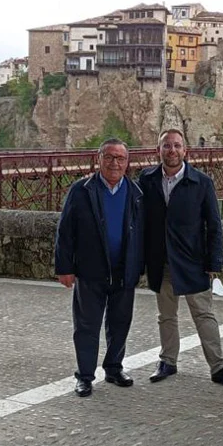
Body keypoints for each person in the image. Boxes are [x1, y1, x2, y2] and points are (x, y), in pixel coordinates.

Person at [139, 128, 223, 388]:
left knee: (204, 315)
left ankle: (218, 367)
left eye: (176, 145)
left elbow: (214, 225)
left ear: (185, 151)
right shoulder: (147, 179)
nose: (171, 150)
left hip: (193, 261)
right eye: (166, 146)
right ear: (158, 150)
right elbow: (140, 221)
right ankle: (168, 361)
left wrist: (214, 263)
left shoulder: (201, 182)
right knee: (166, 316)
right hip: (161, 260)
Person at [55, 138, 144, 397]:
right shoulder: (81, 190)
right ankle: (84, 376)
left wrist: (140, 266)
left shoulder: (136, 193)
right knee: (87, 326)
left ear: (127, 163)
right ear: (99, 159)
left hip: (124, 270)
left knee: (120, 323)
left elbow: (143, 232)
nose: (114, 163)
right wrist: (64, 267)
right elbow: (65, 231)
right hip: (90, 270)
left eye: (120, 158)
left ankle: (114, 368)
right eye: (109, 157)